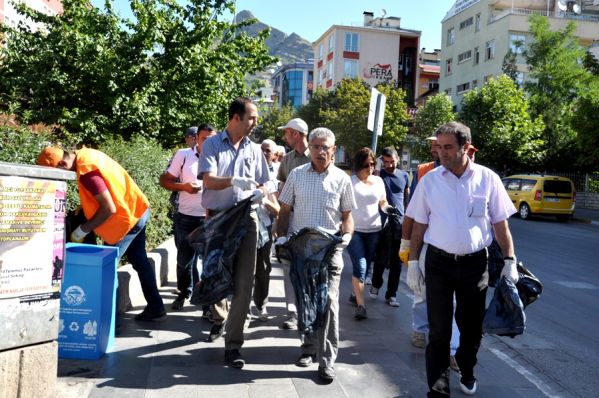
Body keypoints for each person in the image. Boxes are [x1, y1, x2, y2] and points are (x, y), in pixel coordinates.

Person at [407, 122, 518, 397]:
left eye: (448, 147)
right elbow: (418, 225)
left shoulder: (487, 179)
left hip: (474, 265)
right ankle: (437, 387)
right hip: (438, 264)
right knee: (440, 330)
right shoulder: (430, 180)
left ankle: (467, 369)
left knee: (470, 329)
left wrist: (510, 260)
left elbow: (500, 225)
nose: (441, 153)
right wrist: (411, 262)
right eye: (438, 147)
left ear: (466, 147)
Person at [37, 146, 165, 321]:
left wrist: (84, 229)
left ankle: (111, 322)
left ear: (62, 164)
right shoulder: (88, 154)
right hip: (137, 209)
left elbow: (108, 209)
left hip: (124, 219)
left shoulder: (87, 172)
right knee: (139, 260)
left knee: (107, 269)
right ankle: (156, 306)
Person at [276, 127, 356, 382]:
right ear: (309, 148)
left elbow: (347, 217)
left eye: (325, 147)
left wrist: (346, 238)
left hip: (330, 251)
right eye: (316, 146)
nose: (320, 151)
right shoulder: (297, 175)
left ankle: (327, 360)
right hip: (301, 251)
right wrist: (281, 239)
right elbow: (284, 210)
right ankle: (308, 347)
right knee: (305, 300)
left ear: (334, 150)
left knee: (330, 303)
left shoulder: (342, 179)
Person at [198, 97, 270, 368]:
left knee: (244, 284)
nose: (255, 123)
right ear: (236, 118)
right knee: (215, 277)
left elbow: (266, 182)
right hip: (219, 220)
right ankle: (218, 319)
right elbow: (208, 180)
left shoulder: (254, 150)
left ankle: (233, 346)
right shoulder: (213, 145)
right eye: (252, 117)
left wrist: (261, 193)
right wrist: (234, 180)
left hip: (247, 219)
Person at [159, 124, 216, 312]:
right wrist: (184, 187)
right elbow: (165, 181)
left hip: (210, 219)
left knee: (209, 264)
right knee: (185, 262)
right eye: (204, 139)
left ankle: (207, 304)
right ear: (196, 139)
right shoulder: (183, 155)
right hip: (186, 218)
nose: (207, 143)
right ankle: (184, 292)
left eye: (211, 139)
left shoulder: (219, 158)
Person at [346, 147, 389, 320]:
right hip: (354, 231)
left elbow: (382, 202)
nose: (370, 168)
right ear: (358, 165)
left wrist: (389, 210)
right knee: (361, 266)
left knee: (365, 267)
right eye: (366, 165)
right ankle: (361, 305)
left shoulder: (378, 181)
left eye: (372, 164)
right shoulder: (350, 181)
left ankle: (354, 293)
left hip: (374, 231)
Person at [276, 117, 310, 330]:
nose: (284, 137)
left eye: (287, 133)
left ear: (296, 134)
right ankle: (293, 312)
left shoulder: (316, 157)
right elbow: (281, 191)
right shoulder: (287, 160)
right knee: (288, 267)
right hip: (291, 218)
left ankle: (307, 308)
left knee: (308, 268)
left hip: (311, 220)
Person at [370, 147, 409, 308]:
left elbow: (406, 197)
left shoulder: (404, 175)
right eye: (385, 162)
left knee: (397, 261)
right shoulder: (379, 175)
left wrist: (407, 218)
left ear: (397, 160)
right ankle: (376, 284)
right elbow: (374, 185)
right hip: (382, 221)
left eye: (391, 161)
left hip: (399, 222)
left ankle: (391, 294)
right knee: (381, 257)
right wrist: (378, 167)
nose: (389, 165)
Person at [253, 139, 281, 321]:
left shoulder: (274, 178)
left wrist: (263, 199)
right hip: (245, 226)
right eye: (262, 149)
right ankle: (241, 307)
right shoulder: (248, 172)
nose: (264, 153)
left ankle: (261, 305)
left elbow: (278, 209)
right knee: (244, 268)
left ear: (274, 154)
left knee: (263, 268)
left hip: (265, 228)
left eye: (268, 151)